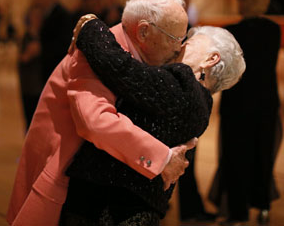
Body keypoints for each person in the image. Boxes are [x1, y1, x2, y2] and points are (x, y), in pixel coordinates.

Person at [7, 0, 200, 226]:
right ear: (143, 31)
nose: (177, 49)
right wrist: (163, 159)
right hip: (59, 177)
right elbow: (95, 121)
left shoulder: (118, 46)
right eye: (174, 39)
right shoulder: (94, 52)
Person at [60, 14, 245, 225]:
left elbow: (121, 68)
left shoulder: (184, 88)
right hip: (127, 210)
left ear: (211, 59)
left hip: (113, 210)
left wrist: (90, 26)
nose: (179, 45)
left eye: (188, 42)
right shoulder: (197, 103)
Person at [208, 0, 283, 226]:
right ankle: (263, 207)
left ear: (242, 1)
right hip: (266, 103)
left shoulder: (231, 34)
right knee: (263, 154)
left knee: (236, 156)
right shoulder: (274, 30)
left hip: (238, 104)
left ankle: (238, 213)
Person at [164, 0, 217, 223]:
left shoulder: (161, 29)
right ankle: (189, 211)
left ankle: (183, 208)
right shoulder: (186, 30)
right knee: (184, 160)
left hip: (169, 103)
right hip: (182, 105)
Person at [17, 0, 44, 132]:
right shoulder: (26, 37)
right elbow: (21, 59)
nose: (37, 19)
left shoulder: (45, 36)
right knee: (30, 118)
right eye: (34, 17)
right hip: (29, 85)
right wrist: (29, 54)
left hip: (41, 83)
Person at [38, 0, 74, 83]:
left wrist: (42, 48)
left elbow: (64, 42)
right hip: (49, 63)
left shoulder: (62, 15)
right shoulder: (48, 13)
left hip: (55, 63)